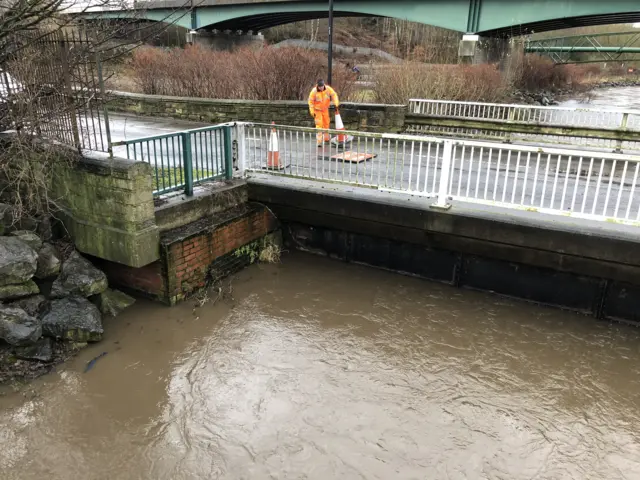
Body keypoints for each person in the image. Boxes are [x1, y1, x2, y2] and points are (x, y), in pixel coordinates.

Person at [308, 79, 339, 146]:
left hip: (325, 110)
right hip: (317, 111)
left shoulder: (328, 89)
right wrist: (312, 111)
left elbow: (334, 95)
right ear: (317, 86)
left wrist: (336, 104)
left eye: (322, 86)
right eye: (320, 87)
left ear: (323, 85)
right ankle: (319, 141)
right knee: (319, 125)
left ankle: (326, 139)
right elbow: (310, 102)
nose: (321, 88)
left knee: (326, 124)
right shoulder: (314, 91)